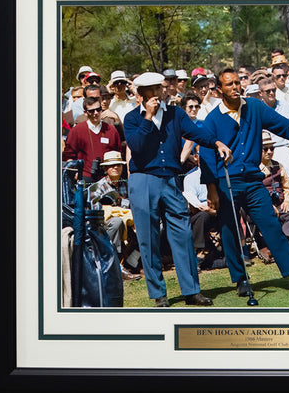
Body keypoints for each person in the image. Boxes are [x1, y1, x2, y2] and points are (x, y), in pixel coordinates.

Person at [199, 68, 289, 298]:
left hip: (254, 180)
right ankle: (241, 280)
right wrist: (211, 189)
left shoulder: (254, 107)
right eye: (229, 84)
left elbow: (280, 124)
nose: (235, 87)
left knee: (271, 225)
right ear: (219, 90)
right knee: (230, 231)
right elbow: (206, 155)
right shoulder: (212, 119)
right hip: (227, 181)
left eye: (237, 82)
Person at [123, 71, 231, 307]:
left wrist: (215, 142)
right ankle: (158, 294)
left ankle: (192, 290)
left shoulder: (175, 113)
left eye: (158, 89)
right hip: (143, 180)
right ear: (141, 94)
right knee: (148, 238)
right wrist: (148, 118)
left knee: (182, 233)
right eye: (151, 90)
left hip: (170, 179)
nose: (157, 94)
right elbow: (137, 147)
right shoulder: (132, 118)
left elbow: (196, 132)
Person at [89, 150, 141, 281]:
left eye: (118, 164)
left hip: (128, 223)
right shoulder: (98, 187)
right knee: (117, 221)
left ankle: (132, 262)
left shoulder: (127, 184)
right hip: (104, 227)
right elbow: (96, 213)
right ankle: (117, 266)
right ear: (105, 168)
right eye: (111, 165)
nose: (115, 167)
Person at [259, 131, 289, 255]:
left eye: (272, 148)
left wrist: (287, 200)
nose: (269, 151)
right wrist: (268, 205)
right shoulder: (253, 168)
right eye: (265, 149)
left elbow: (287, 188)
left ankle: (279, 244)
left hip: (280, 204)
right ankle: (281, 246)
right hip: (263, 207)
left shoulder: (278, 165)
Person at [63, 96, 122, 184]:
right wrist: (74, 174)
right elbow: (68, 156)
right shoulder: (77, 130)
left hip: (107, 178)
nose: (96, 113)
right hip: (84, 177)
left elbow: (118, 153)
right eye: (91, 111)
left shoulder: (111, 130)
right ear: (85, 113)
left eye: (98, 110)